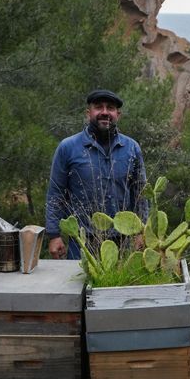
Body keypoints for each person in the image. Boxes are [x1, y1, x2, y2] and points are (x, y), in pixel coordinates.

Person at [45, 89, 147, 259]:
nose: (105, 112)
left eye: (110, 108)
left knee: (119, 285)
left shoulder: (132, 148)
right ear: (88, 113)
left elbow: (140, 194)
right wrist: (54, 235)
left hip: (122, 243)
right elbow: (56, 193)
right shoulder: (68, 147)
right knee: (79, 286)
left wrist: (142, 231)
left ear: (118, 114)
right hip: (81, 243)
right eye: (99, 107)